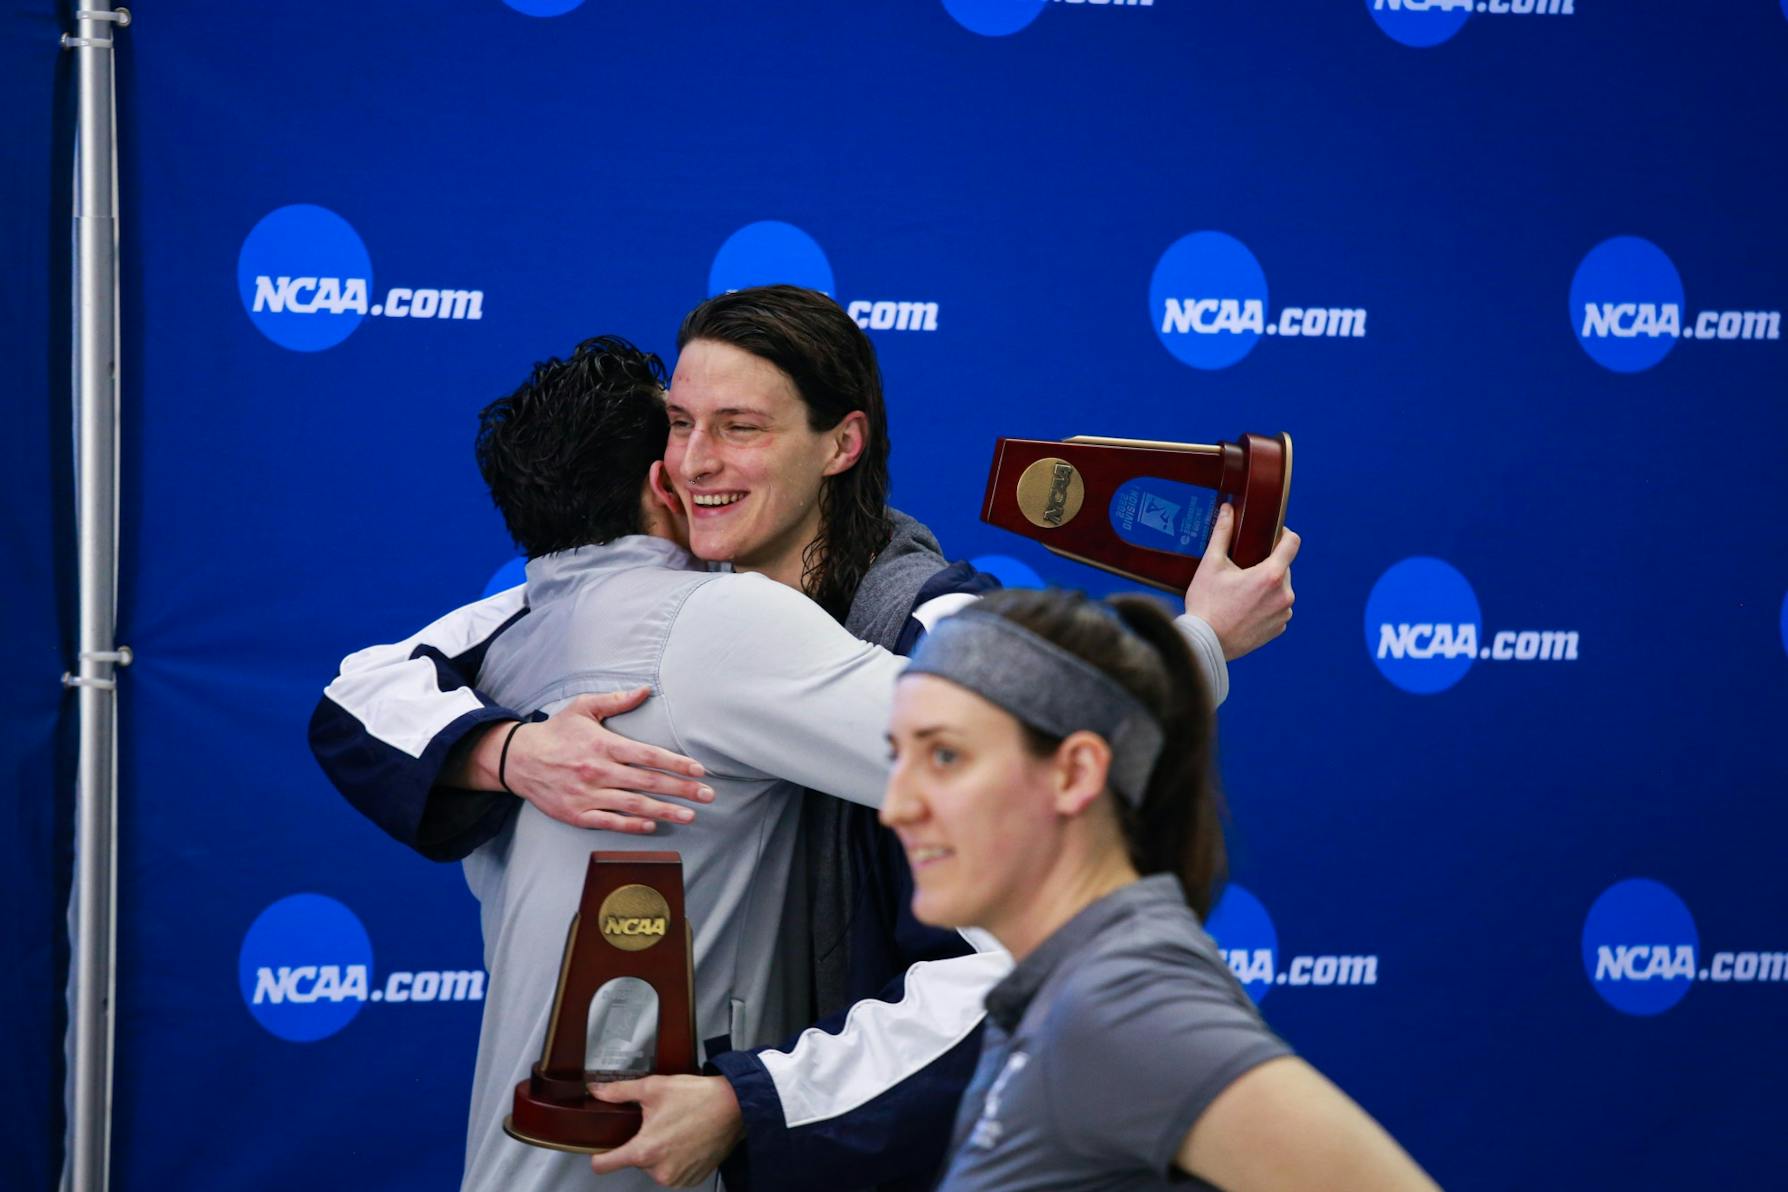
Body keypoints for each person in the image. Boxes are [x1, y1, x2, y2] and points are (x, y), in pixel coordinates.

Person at [309, 288, 1300, 1187]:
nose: (695, 463)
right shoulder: (618, 610)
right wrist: (511, 753)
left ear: (841, 443)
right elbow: (366, 690)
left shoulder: (933, 632)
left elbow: (1020, 921)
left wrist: (1202, 639)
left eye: (740, 430)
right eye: (681, 427)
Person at [881, 590, 1438, 1191]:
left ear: (1075, 774)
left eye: (945, 756)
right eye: (896, 757)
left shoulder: (1121, 1000)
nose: (896, 807)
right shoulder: (1066, 992)